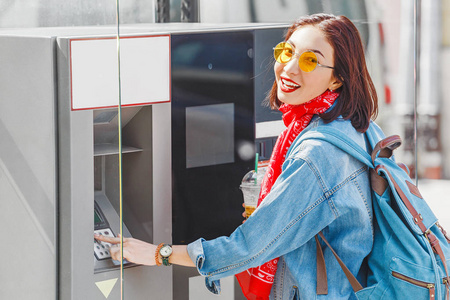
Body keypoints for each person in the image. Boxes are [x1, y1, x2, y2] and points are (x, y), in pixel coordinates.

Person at [95, 13, 378, 299]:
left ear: (337, 79)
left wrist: (158, 253)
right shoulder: (357, 128)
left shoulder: (315, 155)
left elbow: (248, 248)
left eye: (310, 61)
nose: (289, 68)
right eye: (288, 52)